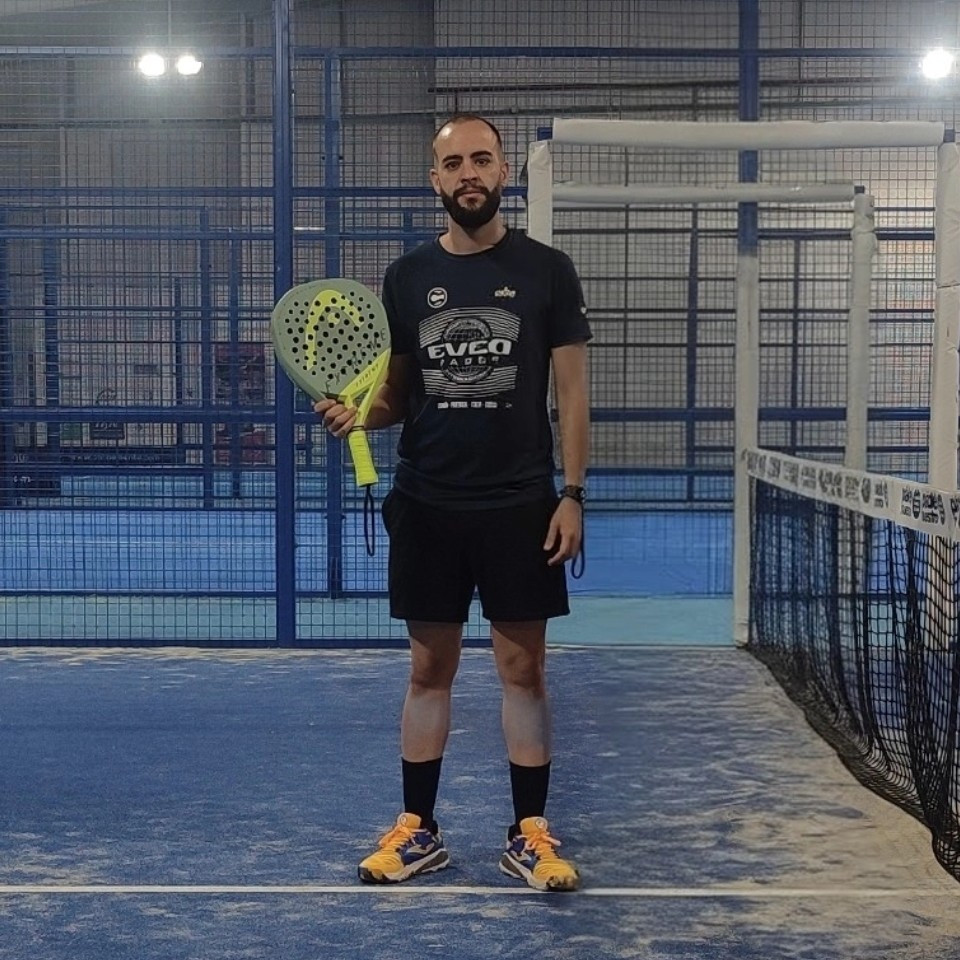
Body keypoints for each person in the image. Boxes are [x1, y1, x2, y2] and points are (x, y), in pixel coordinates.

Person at [314, 114, 591, 892]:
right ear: (434, 179)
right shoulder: (406, 278)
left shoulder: (548, 271)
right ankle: (419, 831)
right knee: (428, 669)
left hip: (520, 505)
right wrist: (357, 415)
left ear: (504, 171)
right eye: (454, 163)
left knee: (522, 670)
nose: (469, 172)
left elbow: (572, 395)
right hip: (427, 503)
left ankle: (529, 834)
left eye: (481, 159)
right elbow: (397, 396)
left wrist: (572, 494)